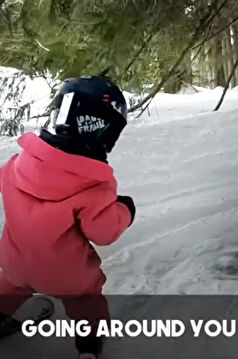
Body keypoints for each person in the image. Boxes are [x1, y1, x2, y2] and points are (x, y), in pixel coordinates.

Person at [0, 76, 135, 359]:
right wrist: (124, 210)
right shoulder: (92, 185)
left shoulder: (16, 165)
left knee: (10, 287)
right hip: (67, 276)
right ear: (102, 130)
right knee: (86, 299)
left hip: (15, 263)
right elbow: (104, 232)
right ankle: (88, 347)